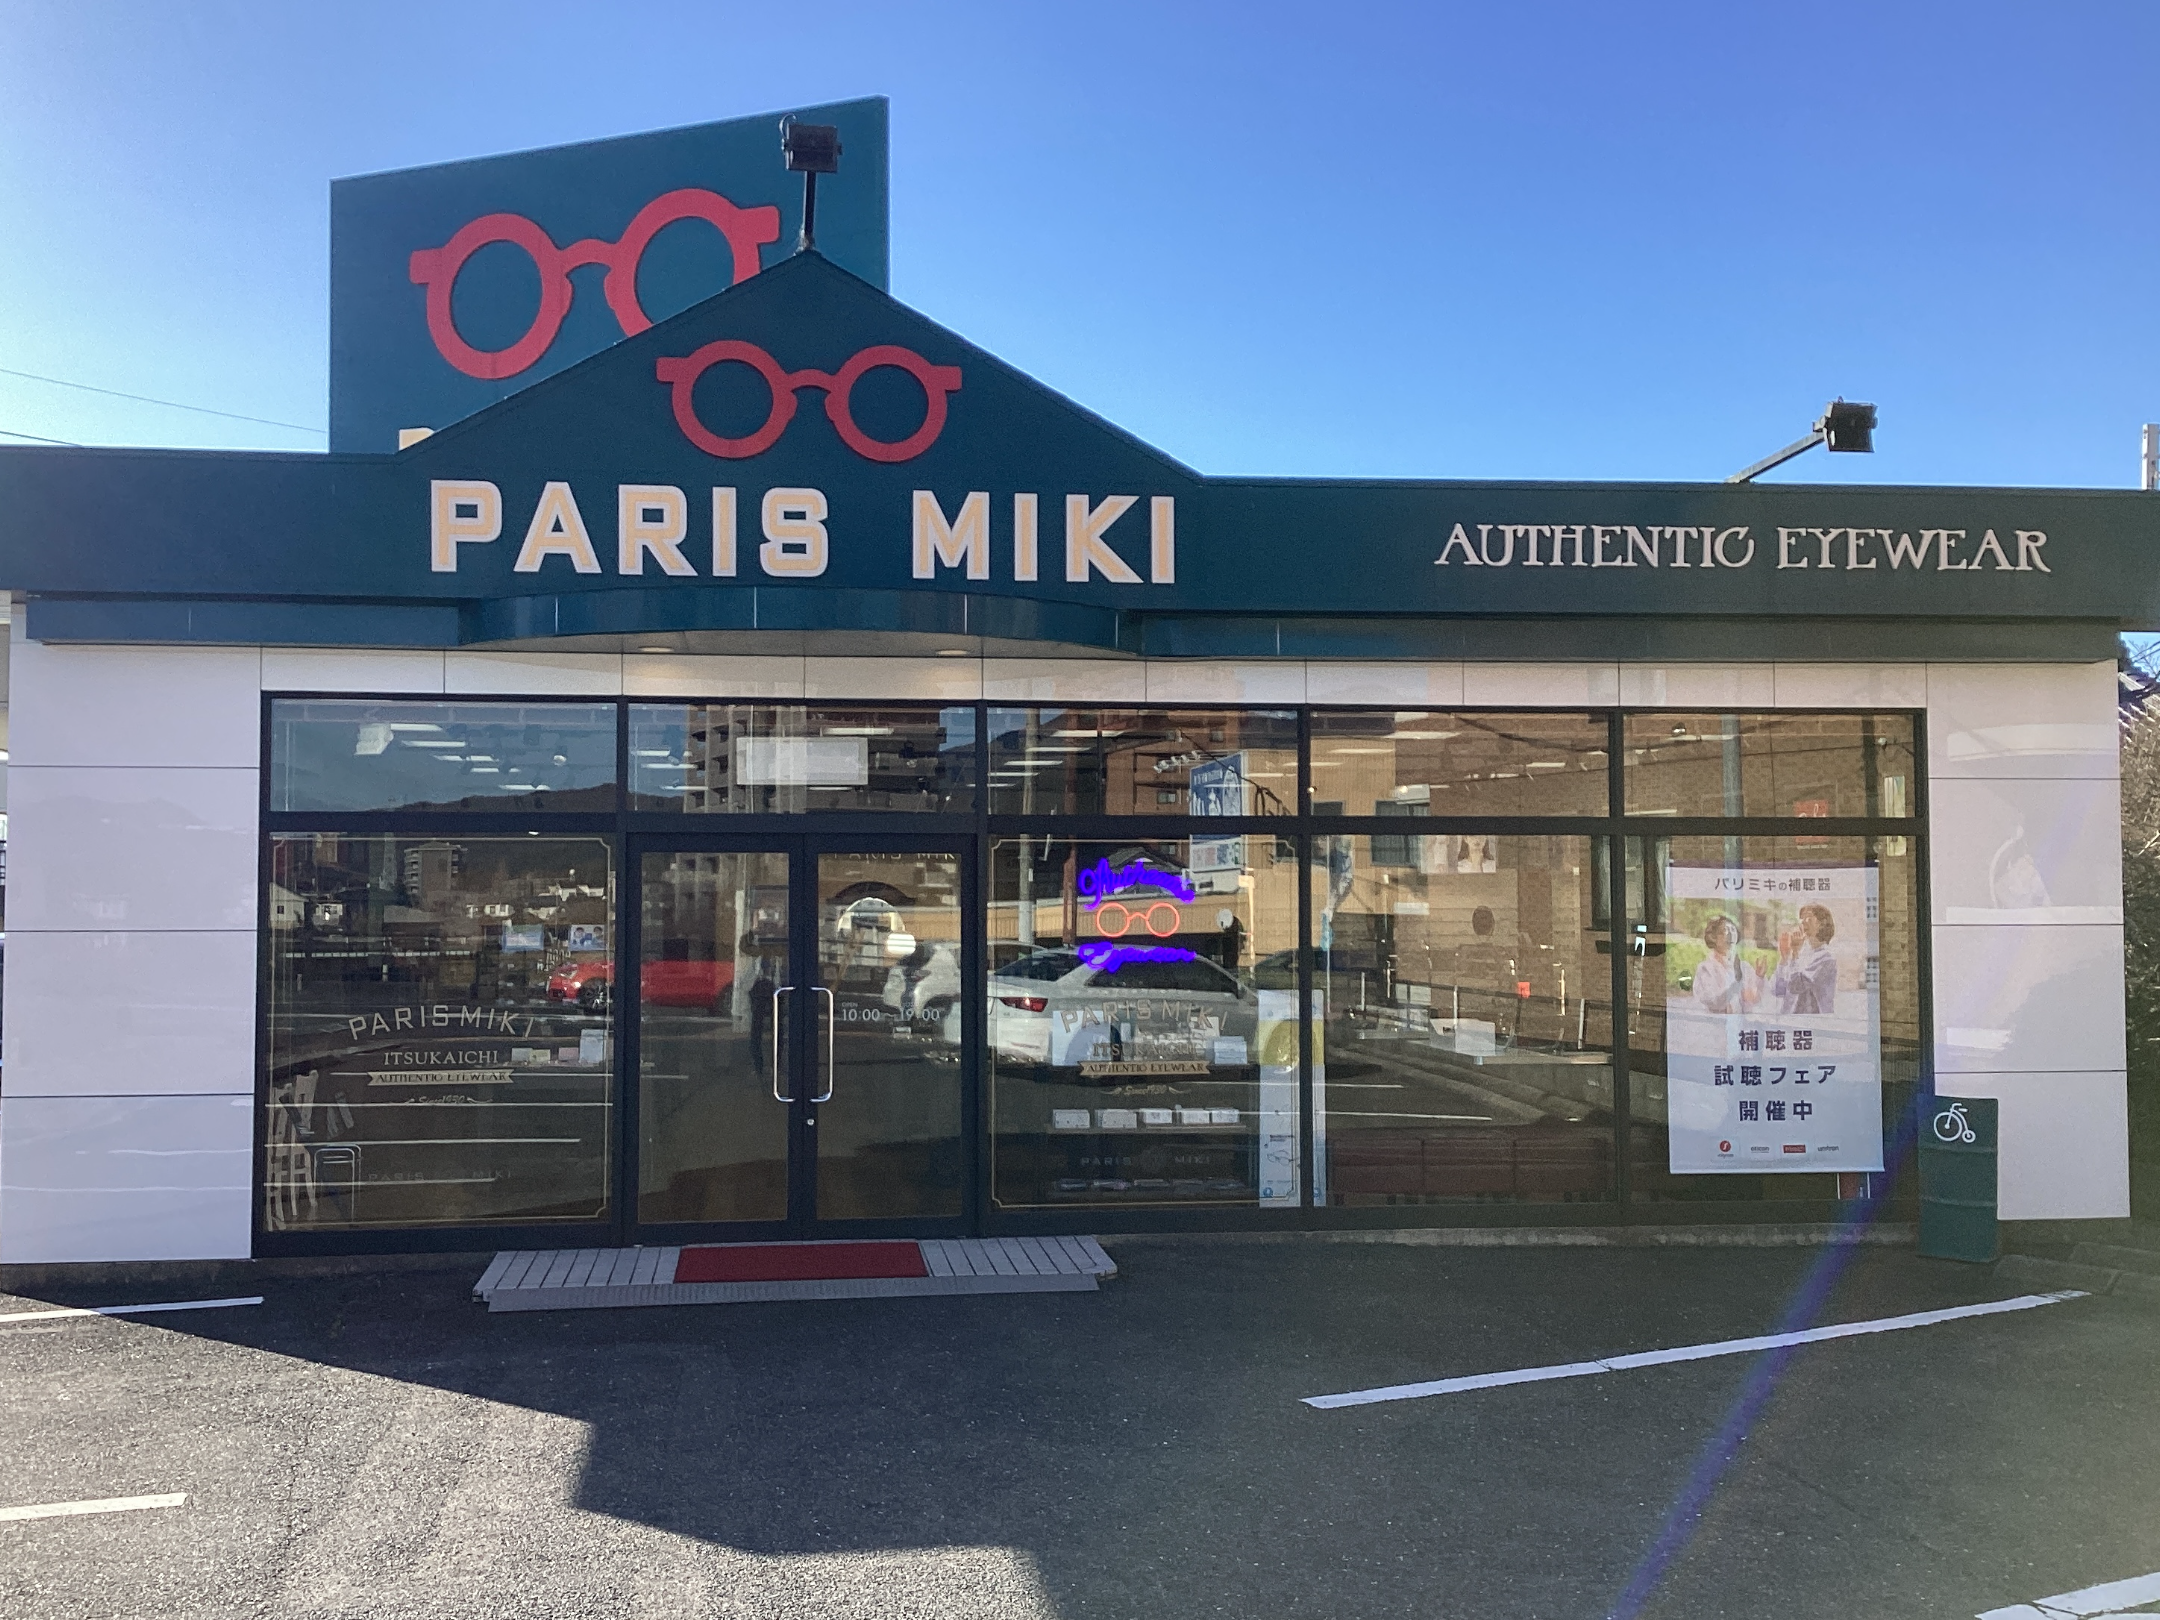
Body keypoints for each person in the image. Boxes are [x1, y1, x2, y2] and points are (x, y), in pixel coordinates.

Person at [1772, 903, 1838, 1015]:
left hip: (1813, 1021)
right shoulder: (1801, 954)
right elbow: (1778, 990)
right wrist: (1784, 959)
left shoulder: (1826, 958)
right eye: (1802, 919)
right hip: (1791, 1019)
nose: (1803, 922)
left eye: (1808, 918)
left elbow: (1796, 986)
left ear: (1822, 924)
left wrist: (1795, 953)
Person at [1690, 915, 1761, 1014]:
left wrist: (1760, 979)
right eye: (1723, 931)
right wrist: (1735, 987)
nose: (1730, 934)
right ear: (1713, 937)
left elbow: (1758, 1001)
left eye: (1733, 930)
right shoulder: (1705, 968)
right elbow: (1711, 1001)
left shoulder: (1745, 967)